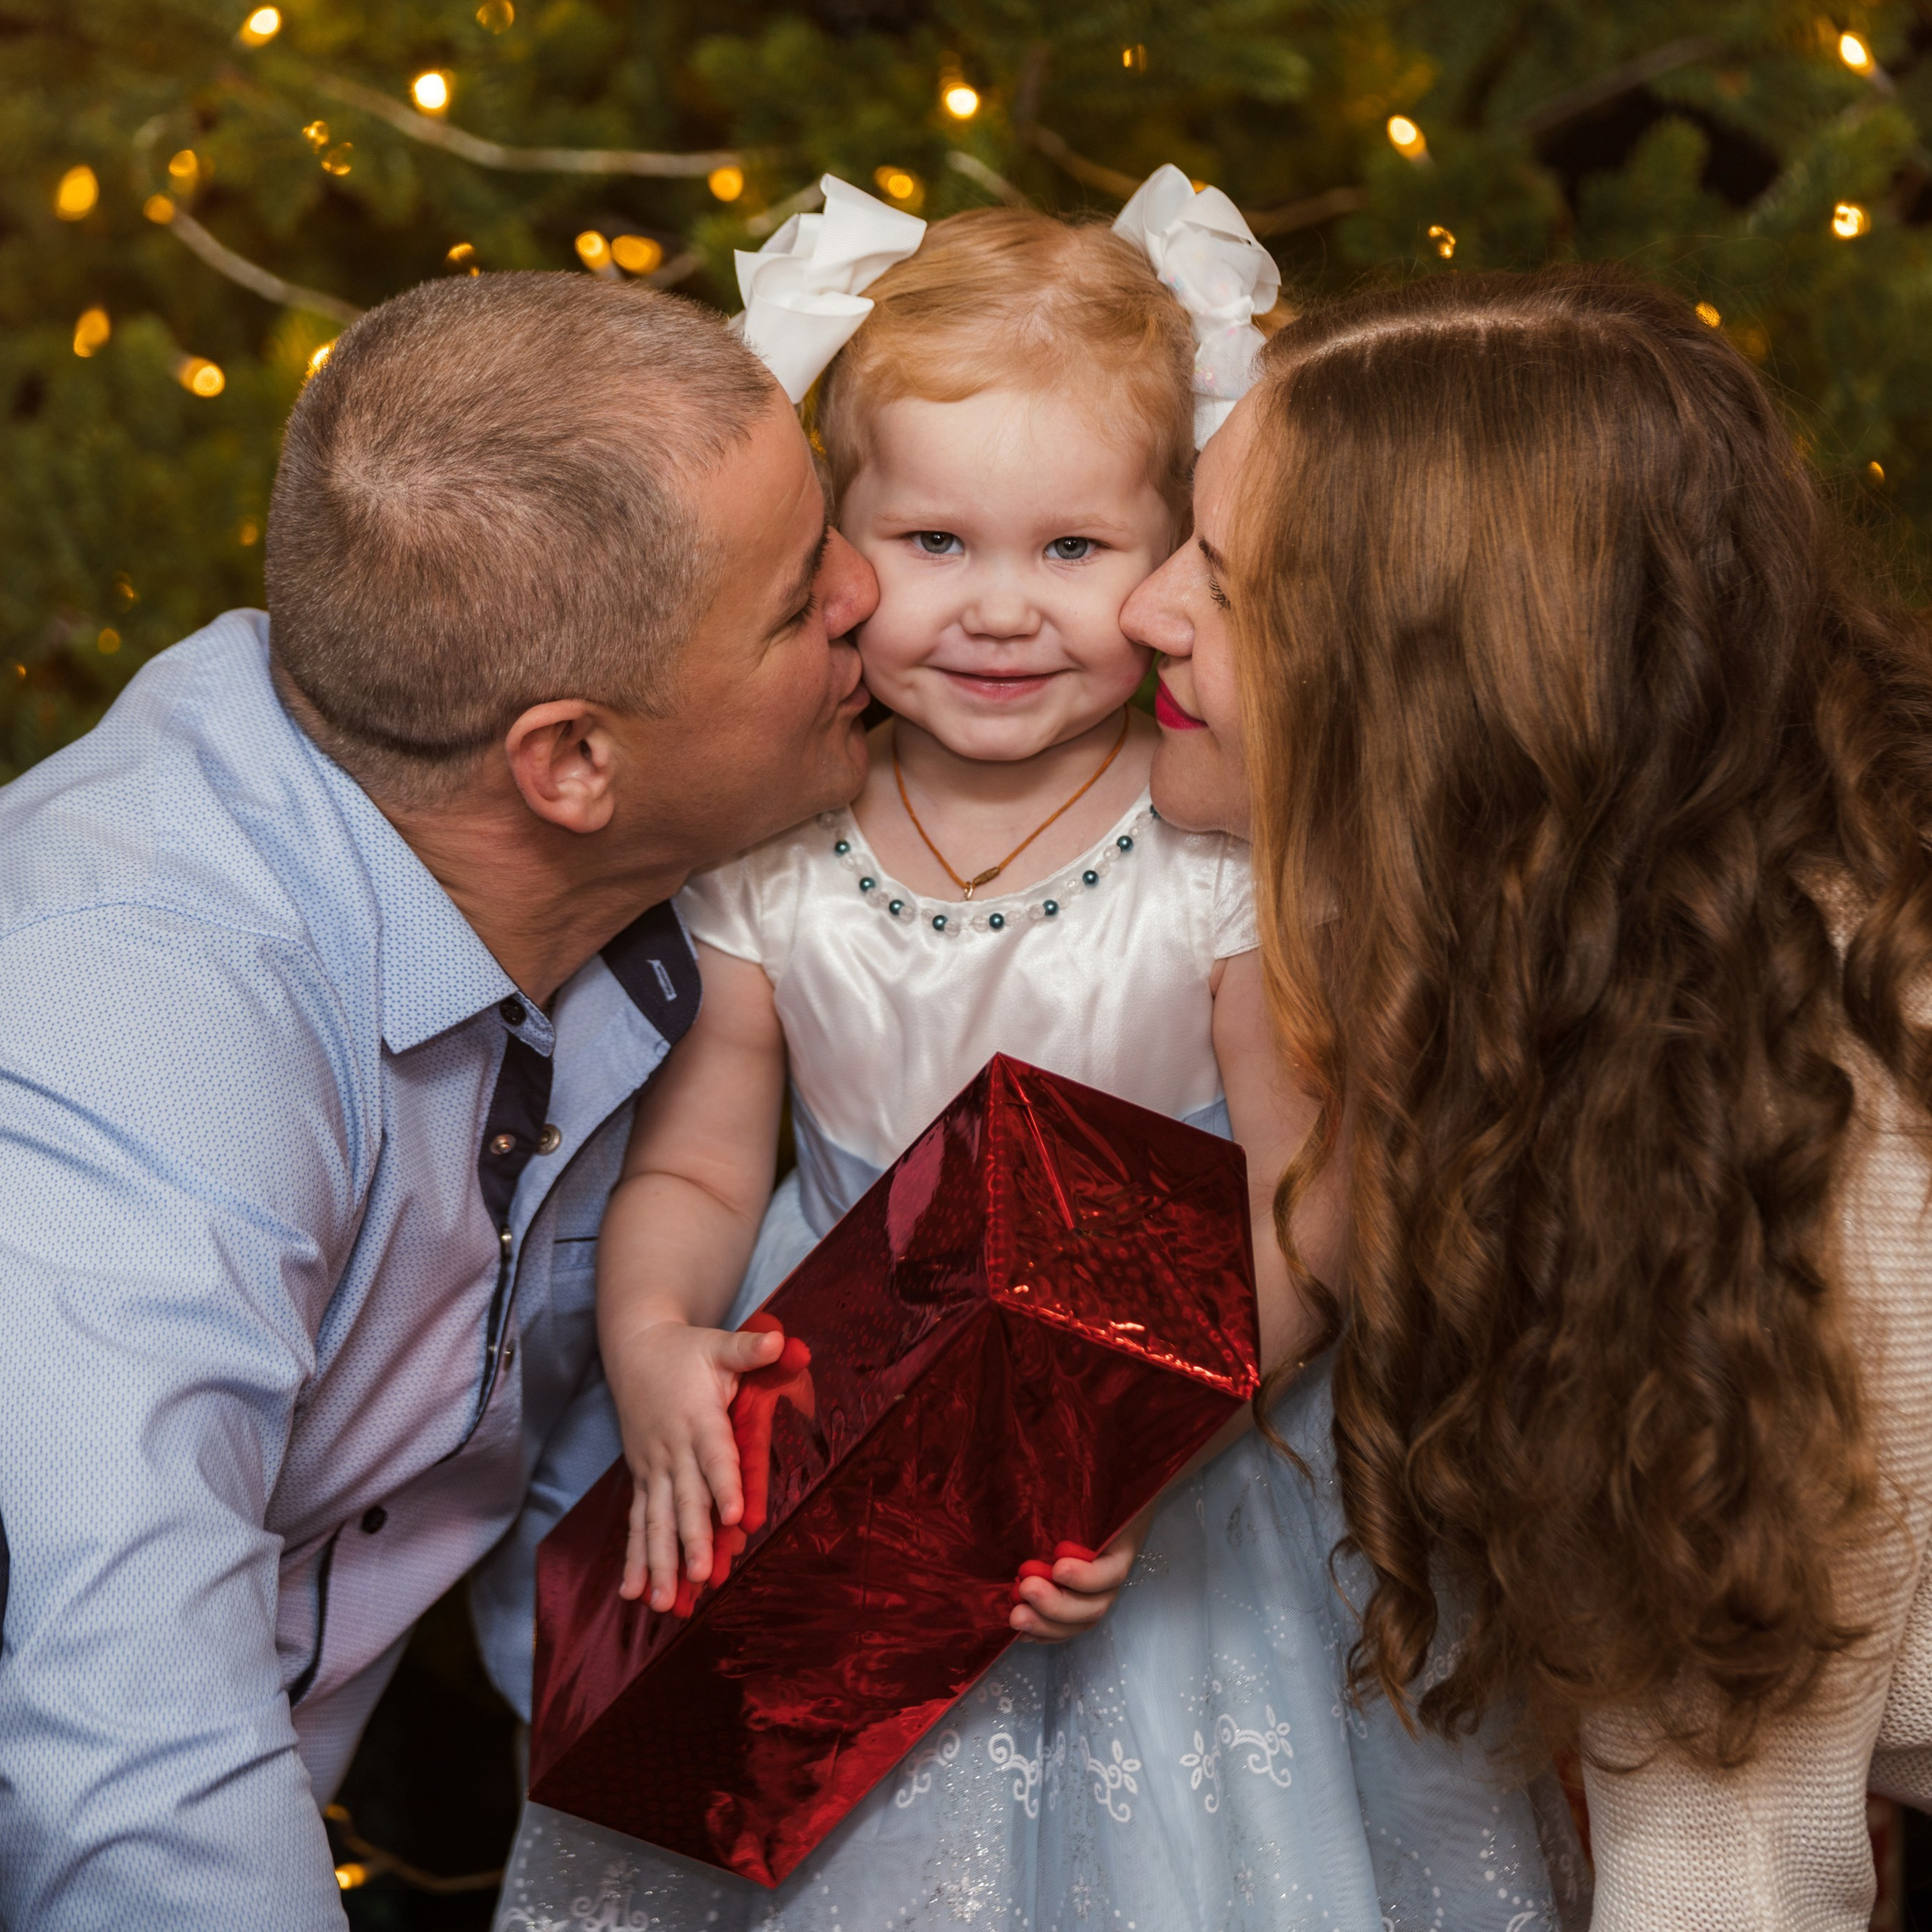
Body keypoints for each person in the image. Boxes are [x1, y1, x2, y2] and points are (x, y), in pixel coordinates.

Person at [492, 198, 1583, 1932]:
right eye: (932, 540)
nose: (999, 610)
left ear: (1169, 558)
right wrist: (651, 1339)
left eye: (1072, 549)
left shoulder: (1212, 844)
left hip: (1175, 1449)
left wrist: (1125, 1443)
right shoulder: (778, 850)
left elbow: (1316, 1202)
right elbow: (701, 1164)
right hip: (841, 1426)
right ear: (831, 545)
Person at [0, 270, 878, 1928]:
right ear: (568, 762)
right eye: (792, 599)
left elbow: (541, 1453)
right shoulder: (137, 1023)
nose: (867, 589)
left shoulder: (600, 891)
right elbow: (127, 1744)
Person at [1131, 262, 1932, 1929]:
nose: (1139, 610)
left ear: (1417, 683)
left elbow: (1732, 1853)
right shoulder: (1618, 964)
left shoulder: (1763, 1105)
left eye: (1216, 579)